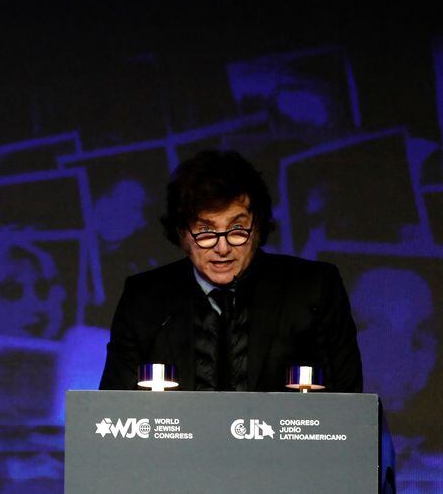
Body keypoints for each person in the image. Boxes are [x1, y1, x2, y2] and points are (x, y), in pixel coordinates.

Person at [99, 150, 363, 392]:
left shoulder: (313, 290)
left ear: (258, 228)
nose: (222, 247)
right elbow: (111, 415)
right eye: (205, 231)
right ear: (182, 235)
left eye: (237, 229)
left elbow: (348, 408)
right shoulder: (143, 299)